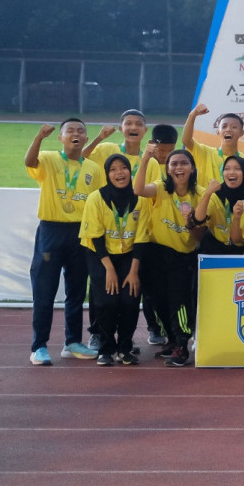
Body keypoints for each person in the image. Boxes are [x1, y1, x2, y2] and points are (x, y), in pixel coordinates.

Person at [25, 120, 101, 365]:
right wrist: (39, 137)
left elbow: (98, 203)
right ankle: (39, 346)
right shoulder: (48, 158)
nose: (75, 133)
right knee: (44, 290)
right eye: (70, 130)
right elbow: (29, 162)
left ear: (86, 138)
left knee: (76, 291)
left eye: (80, 131)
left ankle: (72, 342)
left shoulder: (93, 168)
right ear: (61, 137)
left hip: (81, 232)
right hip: (52, 230)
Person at [134, 145, 203, 367]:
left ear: (192, 168)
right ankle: (172, 340)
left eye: (184, 163)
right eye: (174, 164)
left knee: (179, 301)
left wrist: (191, 222)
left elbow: (200, 235)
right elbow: (138, 190)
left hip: (182, 257)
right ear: (167, 169)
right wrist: (146, 158)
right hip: (155, 253)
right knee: (156, 300)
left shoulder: (201, 194)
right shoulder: (161, 188)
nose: (178, 168)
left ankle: (182, 345)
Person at [79, 154, 147, 365]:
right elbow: (96, 236)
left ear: (130, 171)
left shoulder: (140, 200)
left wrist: (133, 272)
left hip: (129, 255)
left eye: (123, 168)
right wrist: (109, 269)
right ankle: (106, 349)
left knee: (130, 299)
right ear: (107, 174)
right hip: (101, 255)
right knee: (106, 301)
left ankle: (125, 348)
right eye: (113, 169)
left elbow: (141, 239)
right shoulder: (96, 198)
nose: (120, 173)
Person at [136, 124, 177, 347]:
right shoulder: (146, 163)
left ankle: (174, 330)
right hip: (147, 234)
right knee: (149, 289)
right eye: (161, 150)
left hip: (171, 236)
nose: (165, 155)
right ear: (152, 145)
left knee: (170, 289)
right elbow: (139, 190)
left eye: (170, 151)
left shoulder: (178, 164)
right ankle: (154, 327)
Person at [192, 155, 244, 255]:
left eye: (237, 168)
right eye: (227, 169)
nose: (231, 172)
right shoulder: (216, 194)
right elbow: (198, 220)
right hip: (216, 249)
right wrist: (208, 193)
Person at [83, 109, 149, 188]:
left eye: (139, 124)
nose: (133, 127)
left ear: (145, 130)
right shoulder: (107, 149)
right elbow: (77, 158)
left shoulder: (147, 160)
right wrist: (99, 138)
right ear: (121, 128)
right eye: (128, 123)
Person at [182, 104, 243, 184]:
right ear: (218, 132)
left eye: (234, 127)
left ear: (241, 133)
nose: (228, 129)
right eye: (224, 127)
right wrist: (192, 115)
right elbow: (186, 141)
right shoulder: (205, 153)